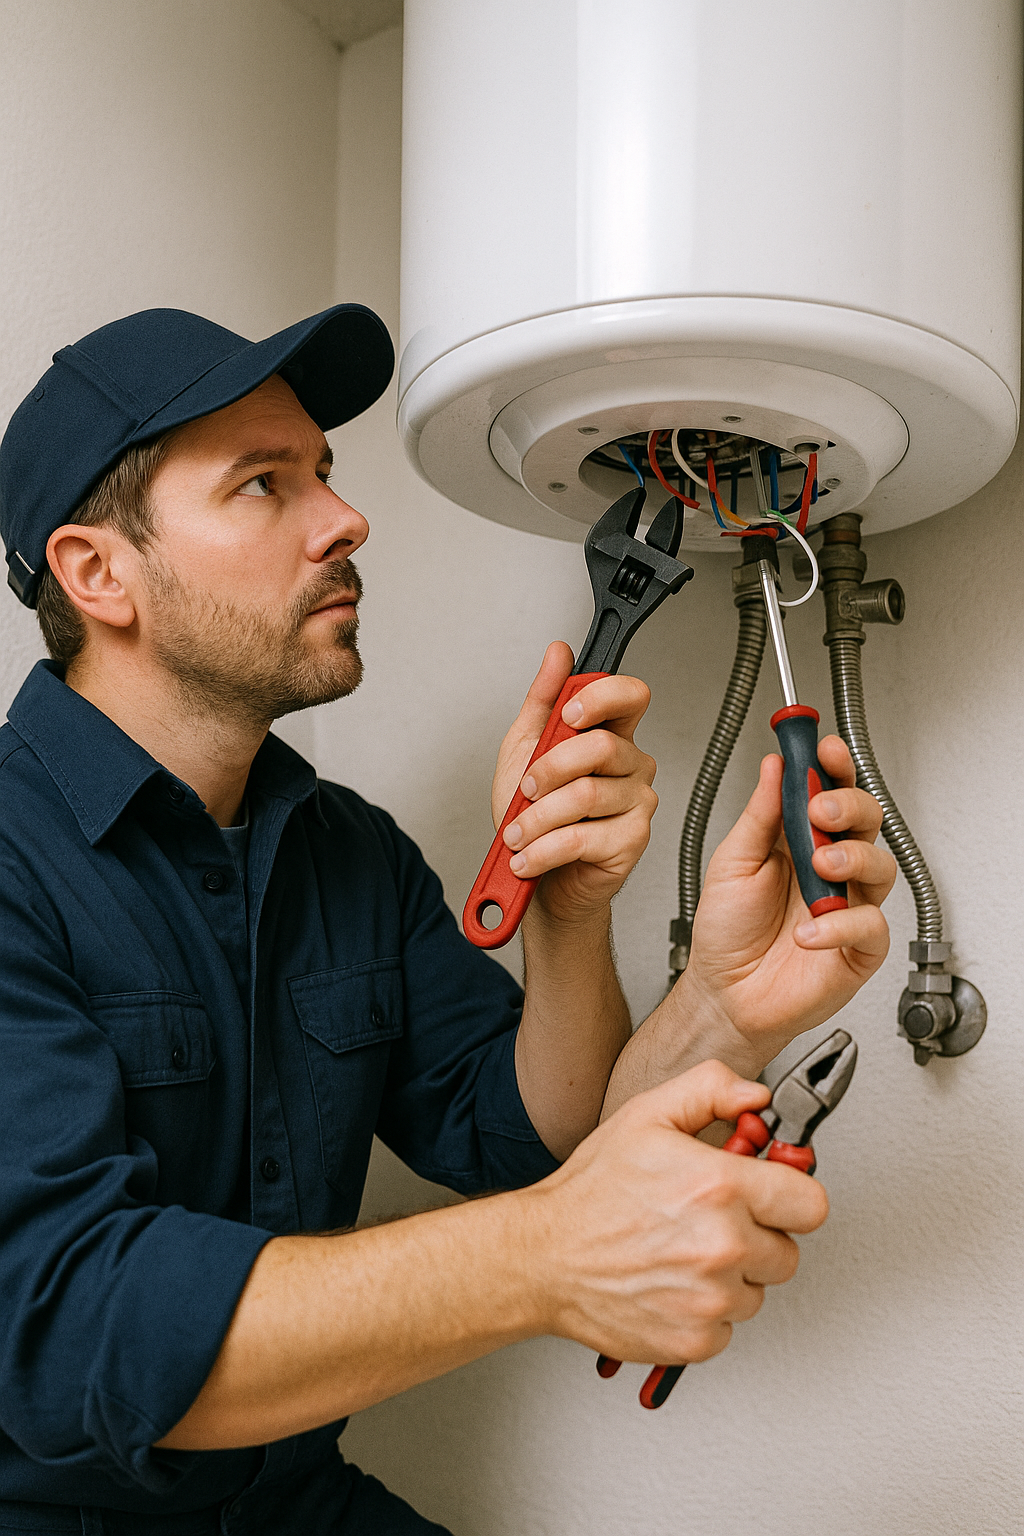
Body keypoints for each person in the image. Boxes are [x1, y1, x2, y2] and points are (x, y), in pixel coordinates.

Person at [0, 306, 896, 1536]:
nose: (344, 519)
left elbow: (527, 1142)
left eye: (323, 471)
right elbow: (67, 1331)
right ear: (97, 573)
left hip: (296, 1507)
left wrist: (685, 983)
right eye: (263, 483)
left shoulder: (344, 849)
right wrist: (546, 1256)